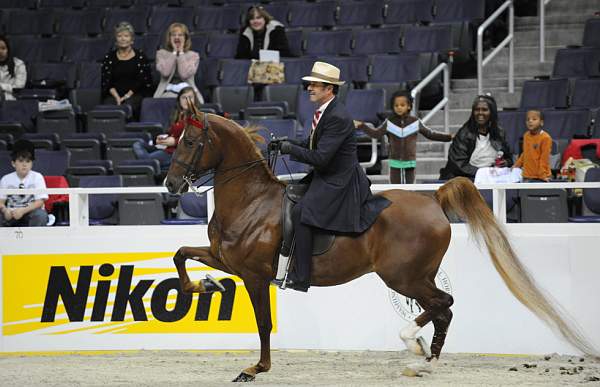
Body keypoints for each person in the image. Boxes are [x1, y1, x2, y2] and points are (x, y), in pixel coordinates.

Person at [273, 61, 390, 292]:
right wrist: (286, 143)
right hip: (327, 174)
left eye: (314, 85)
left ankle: (300, 275)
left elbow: (321, 157)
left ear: (329, 88)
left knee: (300, 212)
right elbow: (313, 144)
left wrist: (289, 150)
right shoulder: (324, 111)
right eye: (310, 85)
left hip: (339, 180)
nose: (309, 88)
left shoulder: (337, 116)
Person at [355, 91, 453, 184]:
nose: (399, 108)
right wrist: (361, 125)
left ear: (409, 106)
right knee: (396, 190)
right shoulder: (389, 122)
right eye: (396, 105)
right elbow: (375, 134)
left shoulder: (415, 122)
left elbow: (430, 134)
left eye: (402, 105)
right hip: (395, 163)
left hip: (410, 163)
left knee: (409, 189)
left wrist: (449, 137)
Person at [440, 95, 513, 180]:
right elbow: (458, 164)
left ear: (492, 112)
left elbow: (509, 157)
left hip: (491, 176)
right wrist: (483, 173)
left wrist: (506, 162)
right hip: (466, 179)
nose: (480, 113)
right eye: (477, 110)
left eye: (484, 110)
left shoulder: (499, 132)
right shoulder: (464, 134)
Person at [133, 87, 200, 172]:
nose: (186, 100)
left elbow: (194, 140)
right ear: (179, 100)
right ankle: (150, 166)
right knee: (138, 144)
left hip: (179, 153)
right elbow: (169, 133)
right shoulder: (177, 115)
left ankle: (149, 166)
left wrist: (175, 142)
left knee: (148, 159)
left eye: (190, 97)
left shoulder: (197, 117)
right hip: (166, 148)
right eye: (183, 97)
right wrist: (159, 139)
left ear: (195, 100)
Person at [101, 22, 153, 120]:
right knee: (109, 107)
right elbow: (107, 82)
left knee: (128, 107)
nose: (123, 38)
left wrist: (126, 96)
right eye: (119, 36)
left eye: (126, 36)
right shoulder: (109, 57)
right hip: (114, 94)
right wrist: (117, 97)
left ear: (132, 39)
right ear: (116, 39)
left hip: (135, 94)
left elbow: (142, 81)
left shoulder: (140, 57)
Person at [0, 139, 49, 227]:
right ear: (13, 163)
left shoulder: (37, 177)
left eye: (28, 161)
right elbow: (1, 201)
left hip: (30, 212)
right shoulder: (6, 179)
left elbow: (40, 202)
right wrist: (5, 210)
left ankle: (35, 240)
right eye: (21, 161)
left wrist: (22, 211)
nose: (24, 164)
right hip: (12, 213)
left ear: (32, 163)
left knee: (40, 215)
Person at [154, 23, 203, 102]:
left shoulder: (193, 55)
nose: (177, 37)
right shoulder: (161, 54)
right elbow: (165, 73)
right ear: (169, 38)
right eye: (173, 35)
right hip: (167, 92)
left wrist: (180, 53)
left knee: (188, 100)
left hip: (188, 91)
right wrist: (173, 53)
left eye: (180, 35)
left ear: (185, 38)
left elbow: (184, 75)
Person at [513, 109, 553, 182]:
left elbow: (544, 159)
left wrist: (543, 175)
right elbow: (525, 153)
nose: (530, 121)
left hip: (541, 177)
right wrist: (516, 166)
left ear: (541, 122)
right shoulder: (526, 135)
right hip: (527, 176)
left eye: (534, 119)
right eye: (528, 119)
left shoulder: (546, 138)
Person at [0, 35, 27, 101]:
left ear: (8, 50)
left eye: (3, 48)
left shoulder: (19, 64)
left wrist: (1, 86)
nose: (0, 52)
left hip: (12, 100)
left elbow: (19, 87)